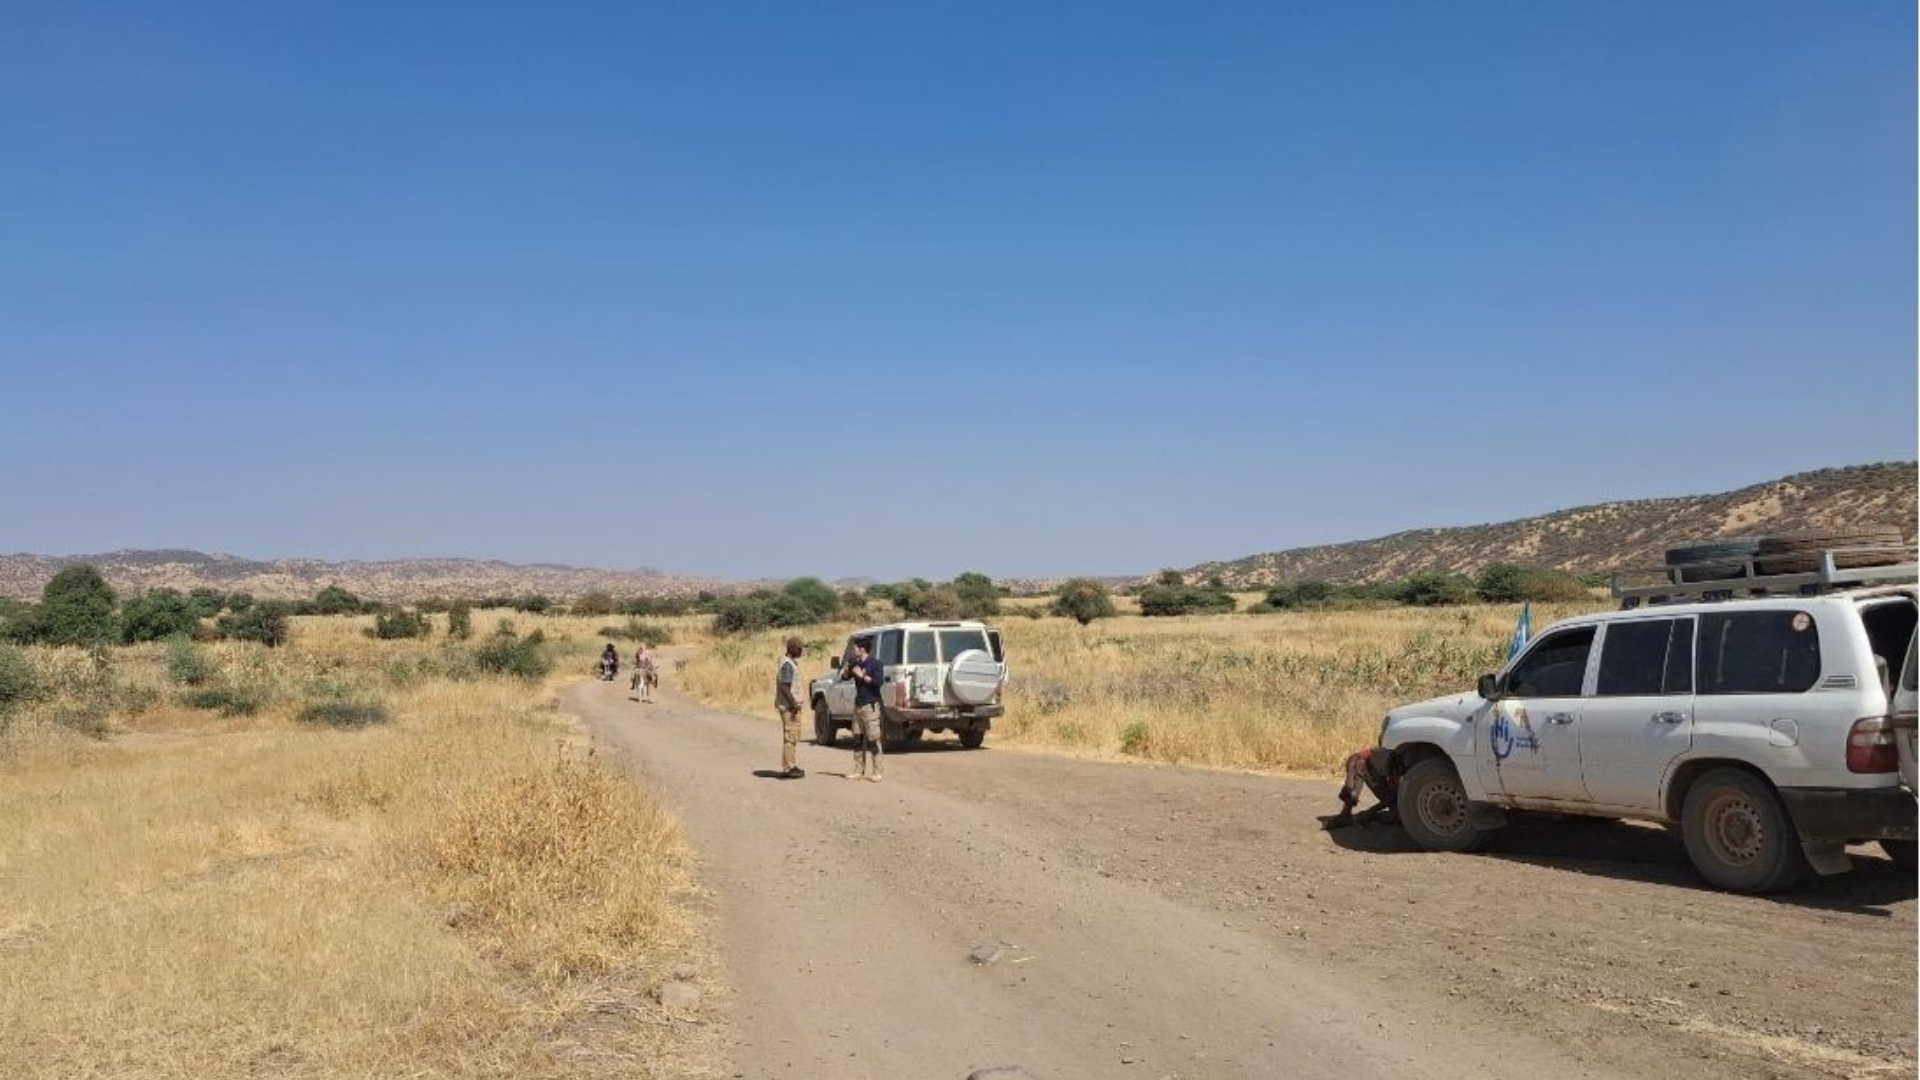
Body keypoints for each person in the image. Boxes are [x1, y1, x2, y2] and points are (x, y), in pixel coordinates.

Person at [840, 638, 885, 782]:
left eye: (855, 648)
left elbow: (878, 683)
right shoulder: (856, 663)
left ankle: (877, 772)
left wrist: (862, 676)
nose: (853, 650)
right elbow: (844, 677)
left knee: (873, 739)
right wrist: (848, 669)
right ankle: (858, 770)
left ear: (862, 649)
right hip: (857, 705)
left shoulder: (876, 664)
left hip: (870, 705)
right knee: (857, 739)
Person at [1327, 746, 1397, 829]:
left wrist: (1370, 812)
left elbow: (1394, 796)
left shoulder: (1399, 766)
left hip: (1400, 789)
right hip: (1378, 766)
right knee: (1358, 763)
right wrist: (1349, 781)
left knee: (1397, 816)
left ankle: (1369, 816)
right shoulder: (1384, 754)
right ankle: (1346, 814)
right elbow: (1355, 757)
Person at [774, 636, 805, 778]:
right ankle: (788, 767)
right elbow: (784, 687)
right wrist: (793, 703)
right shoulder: (787, 664)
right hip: (789, 707)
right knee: (790, 737)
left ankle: (791, 764)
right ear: (791, 648)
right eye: (799, 648)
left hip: (790, 706)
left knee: (792, 737)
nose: (801, 651)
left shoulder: (789, 662)